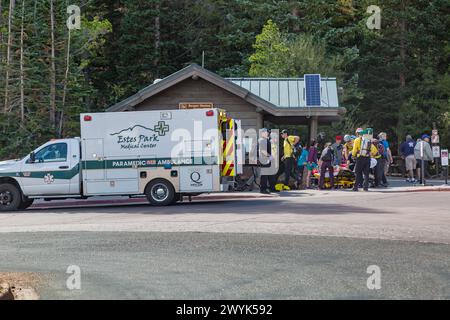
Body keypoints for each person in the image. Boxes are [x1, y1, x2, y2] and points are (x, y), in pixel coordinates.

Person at [258, 128, 276, 194]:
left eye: (268, 132)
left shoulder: (266, 139)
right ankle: (263, 189)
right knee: (264, 175)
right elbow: (263, 151)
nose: (267, 133)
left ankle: (272, 188)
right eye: (266, 132)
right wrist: (269, 156)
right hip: (264, 159)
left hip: (267, 159)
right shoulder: (262, 140)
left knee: (271, 174)